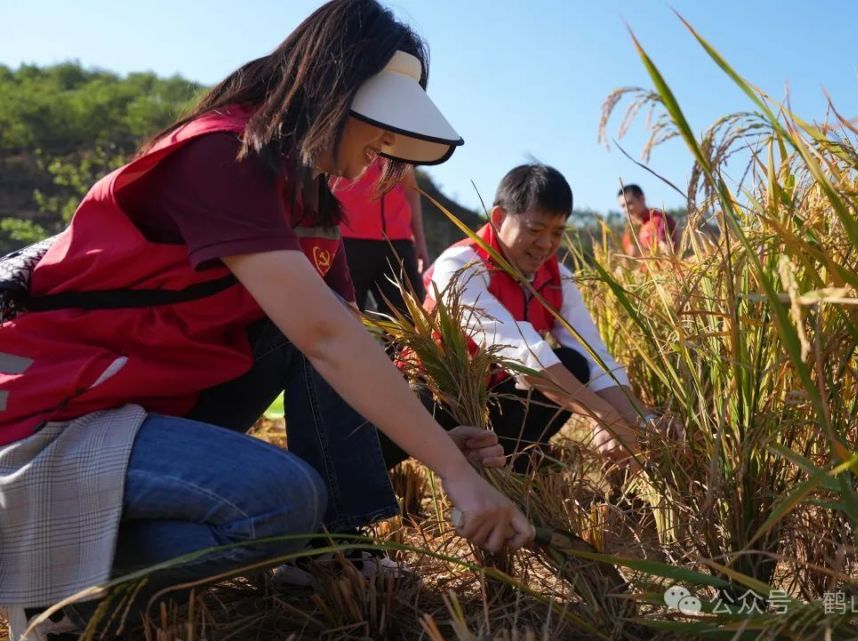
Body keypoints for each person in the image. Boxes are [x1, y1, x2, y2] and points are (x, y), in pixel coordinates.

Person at [0, 2, 533, 637]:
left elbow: (339, 343)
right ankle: (55, 592)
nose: (377, 157)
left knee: (304, 435)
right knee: (280, 501)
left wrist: (437, 442)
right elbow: (326, 339)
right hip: (54, 415)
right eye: (378, 133)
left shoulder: (307, 201)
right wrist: (450, 469)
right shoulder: (220, 157)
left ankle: (332, 548)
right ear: (334, 95)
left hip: (141, 408)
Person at [379, 165, 675, 472]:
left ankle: (510, 469)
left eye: (557, 233)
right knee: (377, 447)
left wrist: (645, 422)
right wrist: (603, 415)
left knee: (574, 364)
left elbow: (595, 357)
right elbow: (521, 353)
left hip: (491, 398)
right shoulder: (460, 266)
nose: (546, 244)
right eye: (535, 229)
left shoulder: (558, 279)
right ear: (498, 218)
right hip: (431, 394)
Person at [333, 157, 429, 313]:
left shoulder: (399, 145)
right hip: (348, 242)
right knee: (344, 314)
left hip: (397, 245)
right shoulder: (346, 138)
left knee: (409, 317)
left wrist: (420, 241)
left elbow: (411, 191)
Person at [617, 184, 679, 257]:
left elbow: (667, 254)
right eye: (623, 206)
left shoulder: (659, 219)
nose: (626, 209)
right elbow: (630, 261)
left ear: (642, 199)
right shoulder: (629, 232)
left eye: (630, 203)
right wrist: (634, 240)